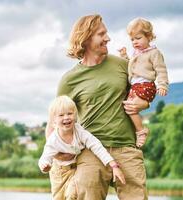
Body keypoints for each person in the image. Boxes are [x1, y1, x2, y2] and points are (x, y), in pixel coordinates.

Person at [46, 14, 149, 200]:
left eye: (106, 33)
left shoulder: (123, 65)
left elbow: (143, 90)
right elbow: (54, 122)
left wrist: (145, 102)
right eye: (102, 34)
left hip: (127, 148)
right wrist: (55, 152)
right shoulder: (69, 80)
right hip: (90, 151)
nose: (107, 38)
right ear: (85, 38)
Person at [39, 95, 126, 200]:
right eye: (61, 115)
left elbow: (97, 146)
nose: (66, 117)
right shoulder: (54, 140)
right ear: (53, 121)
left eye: (69, 113)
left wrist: (113, 166)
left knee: (72, 194)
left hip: (76, 168)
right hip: (59, 172)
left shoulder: (80, 132)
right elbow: (45, 157)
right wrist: (45, 166)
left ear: (75, 115)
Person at [119, 18, 169, 147]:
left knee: (130, 107)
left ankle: (141, 131)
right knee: (129, 107)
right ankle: (138, 129)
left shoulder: (154, 53)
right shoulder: (137, 53)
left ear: (149, 37)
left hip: (145, 86)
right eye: (132, 40)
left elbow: (161, 69)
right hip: (136, 86)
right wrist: (125, 57)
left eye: (138, 38)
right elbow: (132, 66)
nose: (135, 42)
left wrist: (162, 85)